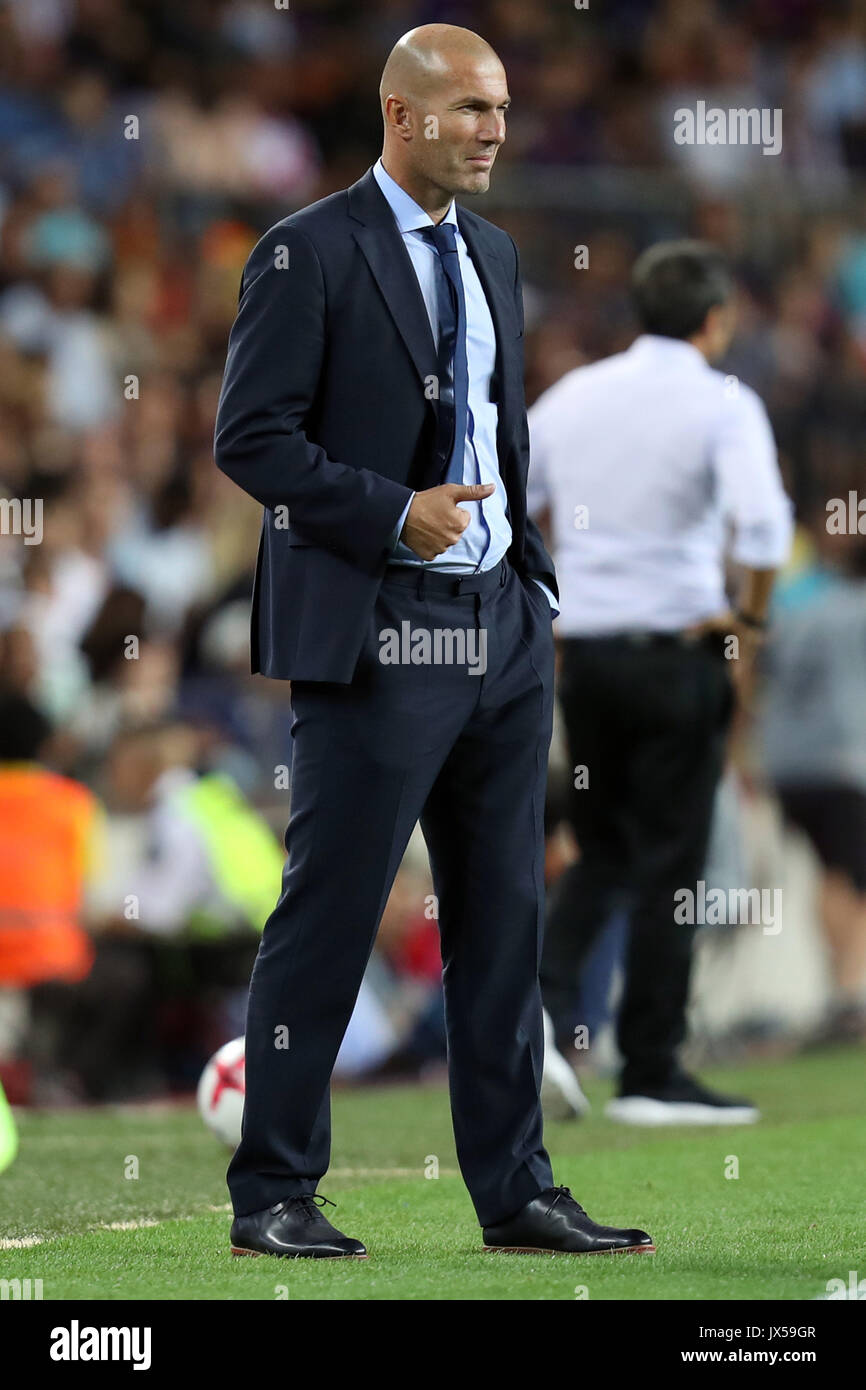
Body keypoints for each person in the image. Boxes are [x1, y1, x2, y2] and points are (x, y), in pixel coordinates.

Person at [214, 24, 653, 1258]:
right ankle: (273, 1193)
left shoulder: (497, 253)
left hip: (501, 628)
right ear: (400, 115)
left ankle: (512, 1189)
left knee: (502, 915)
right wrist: (389, 513)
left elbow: (495, 436)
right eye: (469, 108)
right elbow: (250, 440)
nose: (496, 130)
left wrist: (527, 582)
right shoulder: (306, 251)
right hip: (377, 623)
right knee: (334, 912)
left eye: (501, 107)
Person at [529, 240, 793, 1126]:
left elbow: (505, 501)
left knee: (601, 851)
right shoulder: (724, 402)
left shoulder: (572, 396)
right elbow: (761, 529)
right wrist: (748, 622)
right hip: (678, 656)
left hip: (588, 659)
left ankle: (537, 1016)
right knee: (669, 860)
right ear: (715, 320)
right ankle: (649, 1067)